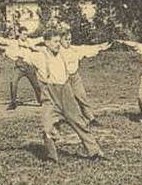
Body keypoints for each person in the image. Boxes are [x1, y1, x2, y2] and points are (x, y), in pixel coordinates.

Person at [22, 28, 105, 164]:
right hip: (49, 97)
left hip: (66, 94)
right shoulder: (38, 56)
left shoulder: (64, 54)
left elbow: (84, 50)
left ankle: (95, 151)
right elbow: (18, 53)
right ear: (47, 43)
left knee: (79, 122)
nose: (58, 44)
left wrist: (99, 47)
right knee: (47, 127)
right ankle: (51, 157)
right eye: (55, 42)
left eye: (58, 41)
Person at [59, 31, 111, 126]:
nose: (68, 42)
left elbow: (87, 48)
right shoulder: (57, 50)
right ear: (60, 40)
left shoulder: (74, 49)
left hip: (75, 77)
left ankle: (91, 119)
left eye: (70, 39)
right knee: (67, 101)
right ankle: (64, 120)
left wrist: (100, 47)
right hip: (62, 79)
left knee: (81, 97)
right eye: (66, 39)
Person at [0, 28, 45, 110]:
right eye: (24, 34)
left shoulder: (30, 41)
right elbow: (3, 41)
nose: (25, 36)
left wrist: (49, 35)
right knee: (13, 82)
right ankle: (13, 103)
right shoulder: (14, 42)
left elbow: (40, 39)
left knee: (36, 85)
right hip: (19, 66)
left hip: (29, 67)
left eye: (26, 34)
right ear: (19, 34)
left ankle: (40, 101)